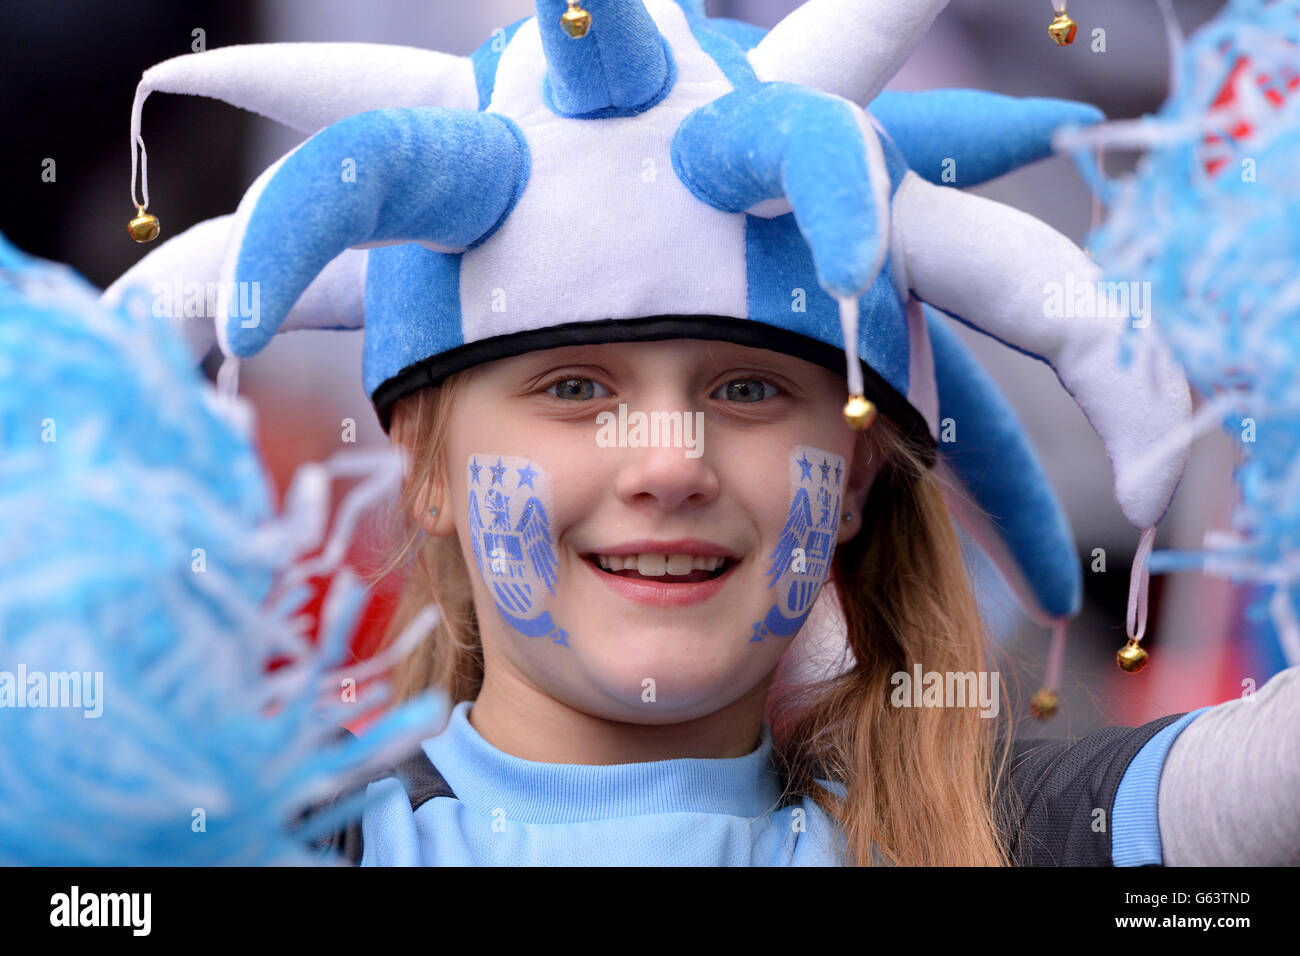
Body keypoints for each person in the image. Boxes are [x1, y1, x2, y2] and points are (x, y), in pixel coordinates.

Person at [104, 0, 1300, 865]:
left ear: (854, 472)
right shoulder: (259, 844)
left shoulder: (1004, 837)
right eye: (573, 387)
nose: (670, 461)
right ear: (424, 461)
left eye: (748, 391)